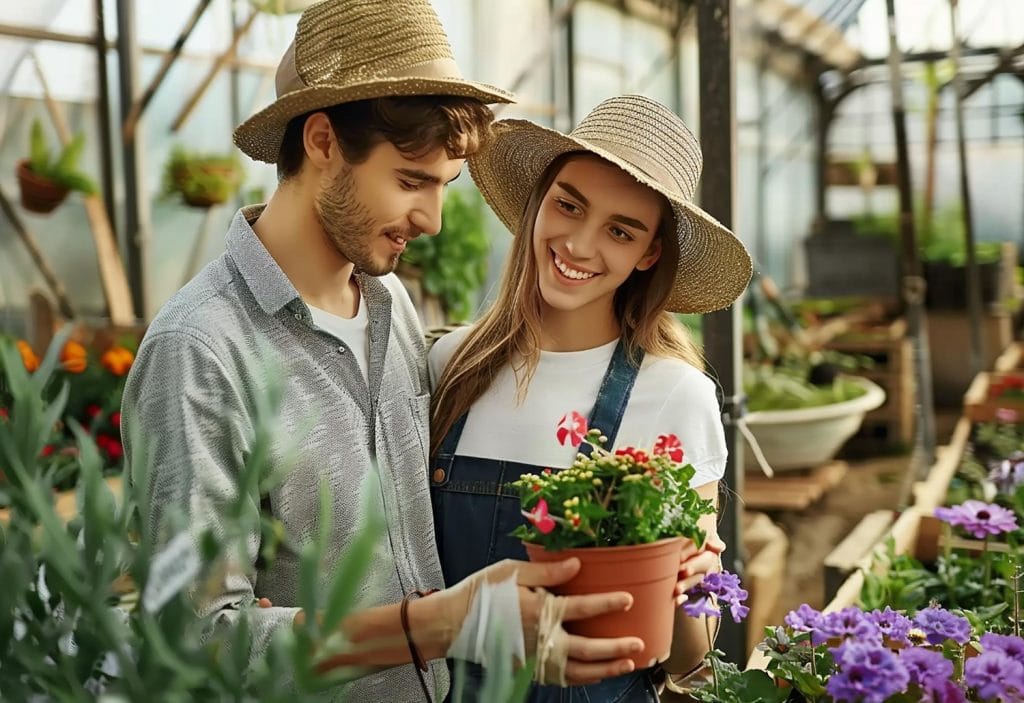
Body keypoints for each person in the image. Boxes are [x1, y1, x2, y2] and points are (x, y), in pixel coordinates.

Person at [122, 2, 642, 701]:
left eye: (443, 186)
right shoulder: (201, 351)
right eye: (410, 181)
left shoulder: (390, 306)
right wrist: (439, 625)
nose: (432, 219)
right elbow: (198, 640)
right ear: (323, 142)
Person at [428, 94, 754, 701]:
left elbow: (690, 661)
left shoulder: (675, 395)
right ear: (539, 201)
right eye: (568, 205)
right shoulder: (450, 365)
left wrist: (692, 582)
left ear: (648, 254)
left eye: (620, 231)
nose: (578, 245)